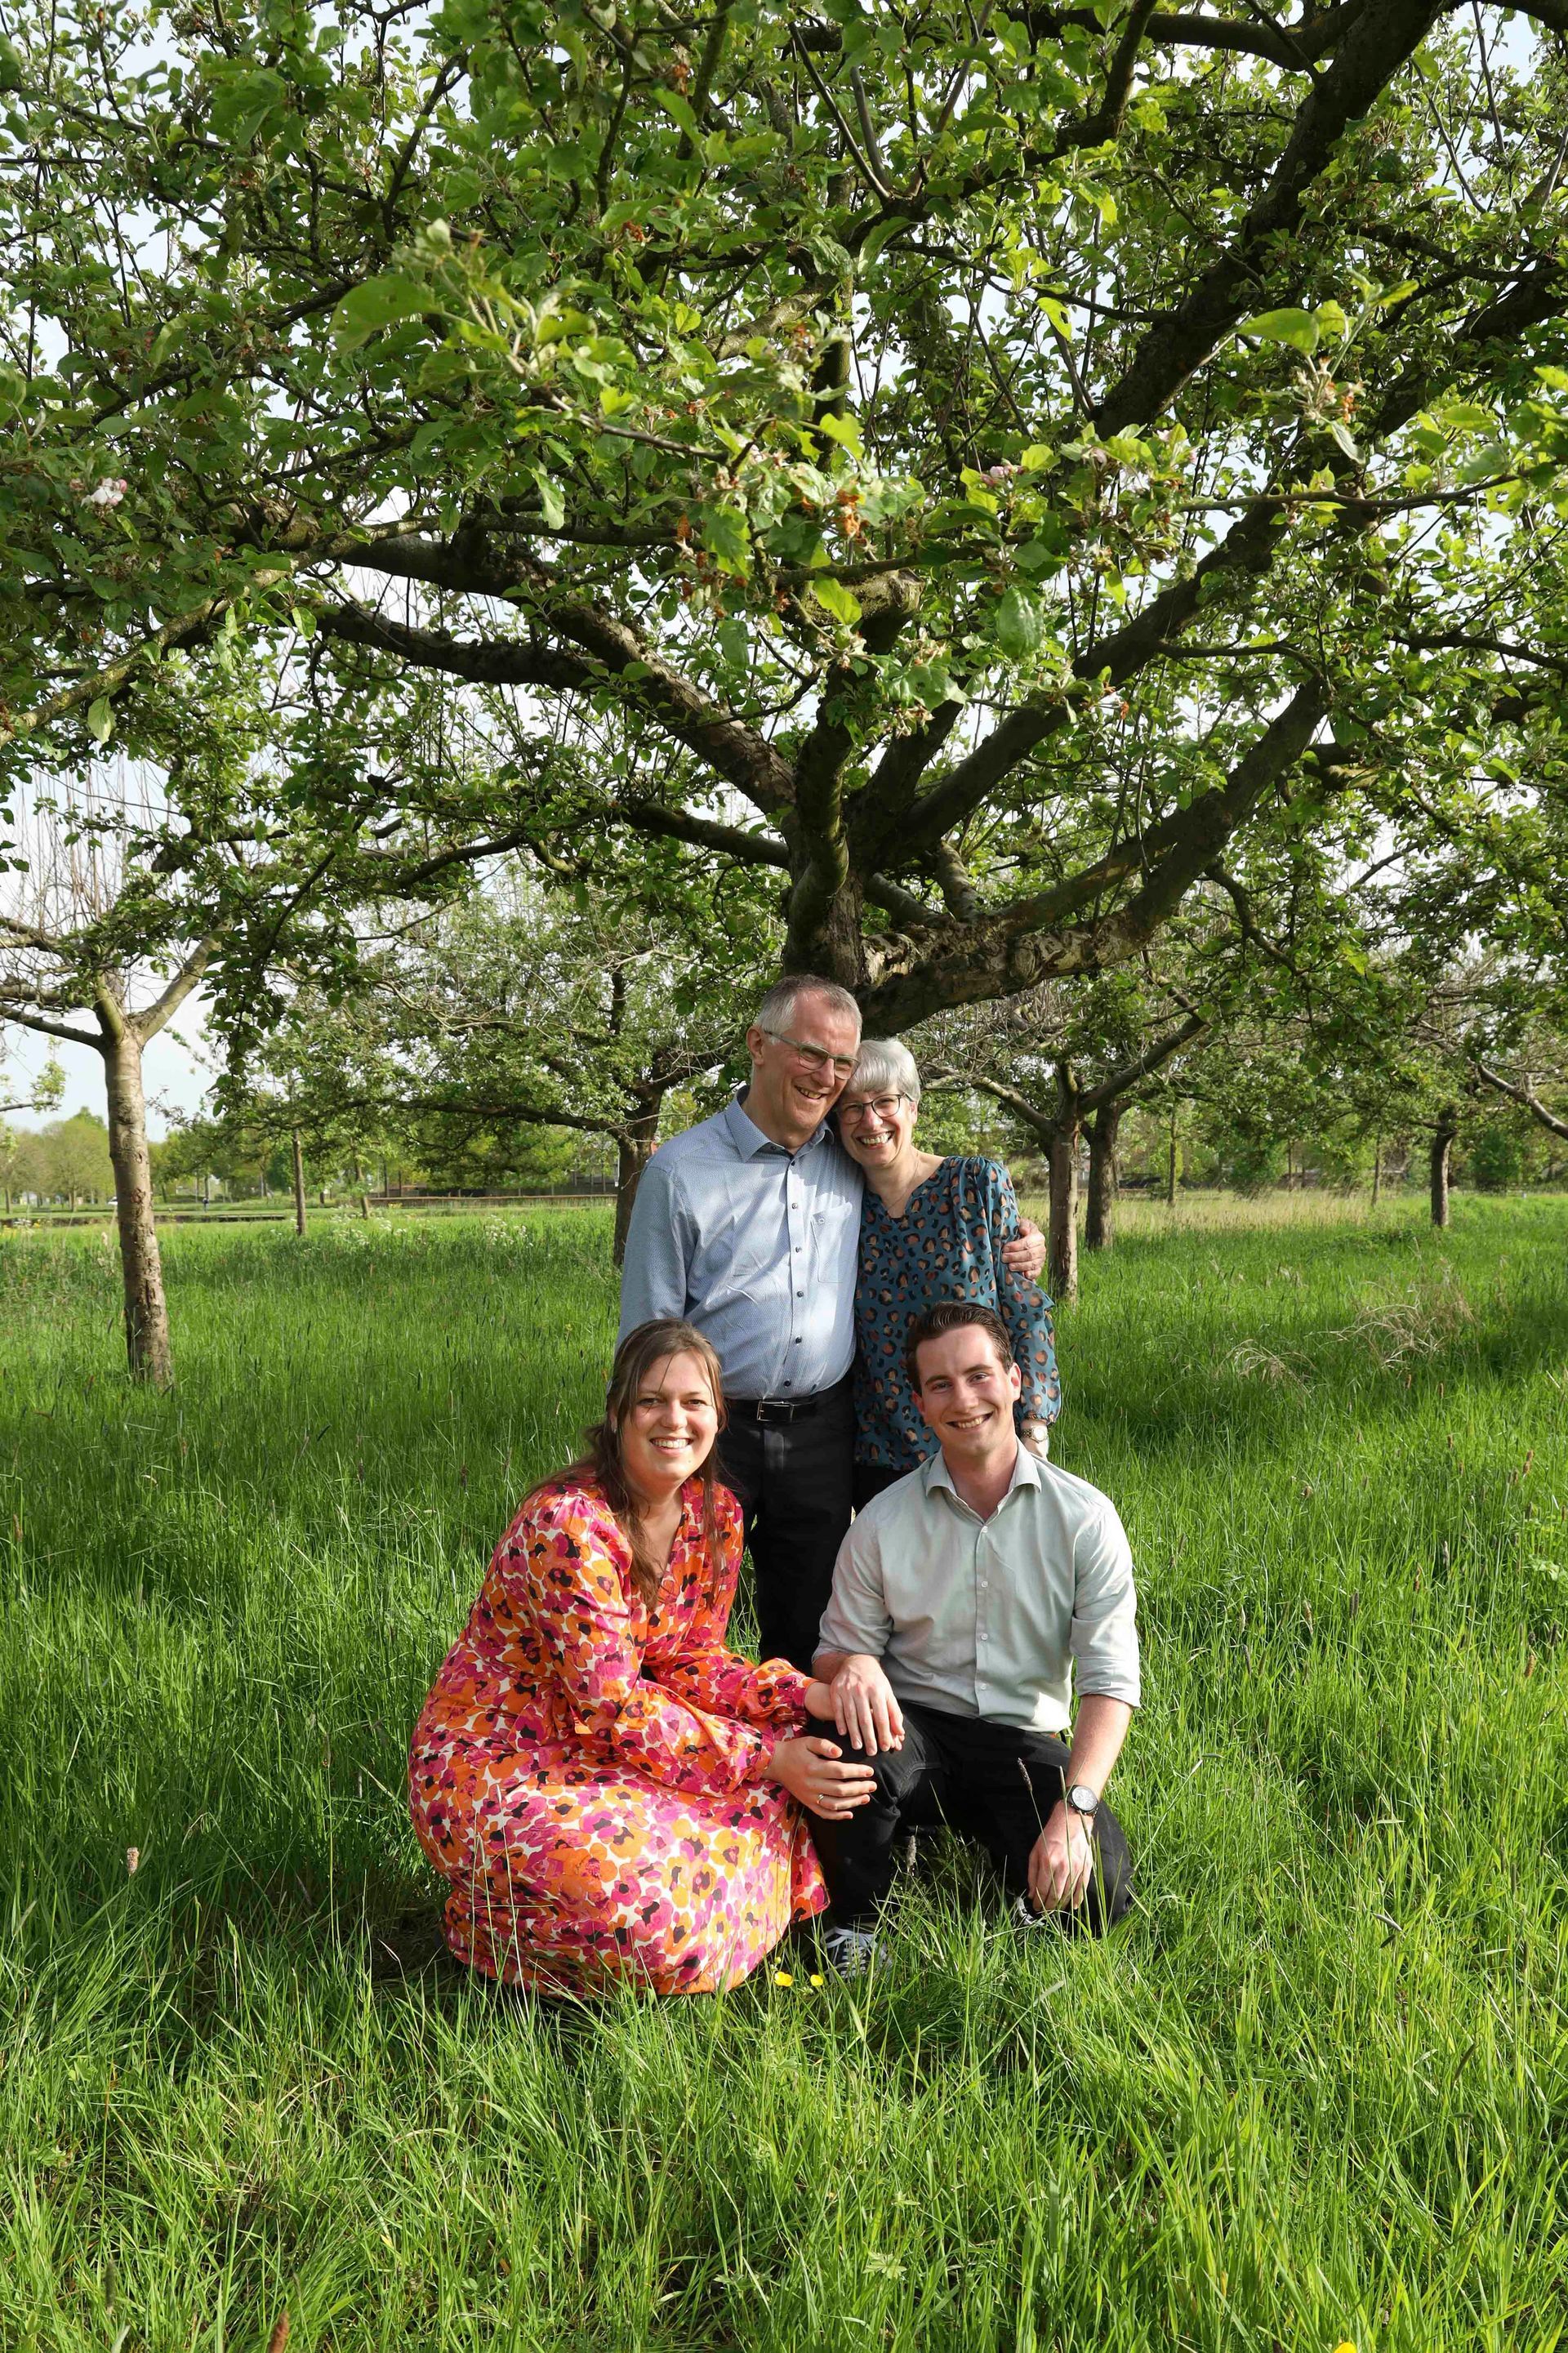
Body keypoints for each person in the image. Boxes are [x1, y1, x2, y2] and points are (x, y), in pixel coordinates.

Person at [408, 1318, 876, 1996]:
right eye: (653, 1400)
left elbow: (692, 1660)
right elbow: (612, 1703)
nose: (674, 1419)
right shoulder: (569, 1525)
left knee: (788, 1765)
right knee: (661, 1917)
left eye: (694, 1402)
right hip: (498, 1761)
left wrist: (803, 1696)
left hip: (606, 1752)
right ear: (618, 1410)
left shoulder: (715, 1515)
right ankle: (488, 1922)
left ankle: (647, 1909)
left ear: (720, 1415)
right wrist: (764, 1759)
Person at [617, 974, 1044, 1669]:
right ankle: (684, 1761)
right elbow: (648, 1333)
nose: (828, 1078)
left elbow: (926, 1194)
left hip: (823, 1433)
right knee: (680, 1617)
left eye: (841, 1064)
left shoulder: (849, 1157)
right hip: (711, 1431)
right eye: (811, 1053)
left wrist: (1026, 1243)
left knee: (809, 1627)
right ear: (758, 1044)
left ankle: (792, 1767)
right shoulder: (679, 1172)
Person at [806, 1302, 1138, 1974]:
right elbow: (835, 1650)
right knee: (844, 1754)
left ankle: (1020, 1880)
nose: (964, 1398)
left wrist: (1075, 1810)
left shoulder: (1085, 1518)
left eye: (979, 1375)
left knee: (1101, 1888)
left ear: (1016, 1380)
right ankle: (856, 1925)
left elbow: (1110, 1681)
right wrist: (857, 1666)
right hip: (913, 1730)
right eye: (940, 1384)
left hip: (1023, 1739)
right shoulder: (880, 1522)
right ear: (921, 1405)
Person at [838, 1036, 1060, 1510]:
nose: (870, 1121)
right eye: (852, 1108)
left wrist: (1034, 1425)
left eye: (885, 1102)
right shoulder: (836, 1202)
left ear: (913, 1108)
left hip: (979, 1434)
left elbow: (1023, 1307)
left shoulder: (974, 1185)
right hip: (879, 1449)